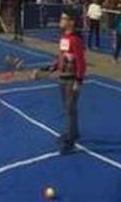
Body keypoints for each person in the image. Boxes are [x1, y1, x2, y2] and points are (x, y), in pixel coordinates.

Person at [38, 8, 87, 154]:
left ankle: (69, 139)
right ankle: (74, 132)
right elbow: (61, 57)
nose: (61, 21)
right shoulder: (63, 38)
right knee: (69, 108)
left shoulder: (75, 40)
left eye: (64, 18)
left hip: (71, 79)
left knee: (69, 110)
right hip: (63, 77)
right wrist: (52, 67)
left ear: (71, 22)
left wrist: (79, 80)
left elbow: (81, 62)